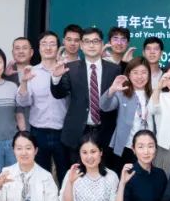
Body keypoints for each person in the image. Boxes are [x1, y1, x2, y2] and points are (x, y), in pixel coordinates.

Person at [51, 27, 122, 173]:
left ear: (102, 44)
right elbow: (59, 94)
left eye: (95, 41)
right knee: (77, 175)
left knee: (105, 174)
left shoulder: (114, 69)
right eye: (87, 41)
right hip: (77, 131)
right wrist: (56, 78)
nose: (91, 45)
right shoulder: (70, 68)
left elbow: (117, 100)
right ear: (82, 46)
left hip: (105, 131)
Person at [15, 31, 69, 173]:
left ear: (58, 48)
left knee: (65, 173)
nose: (48, 47)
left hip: (62, 132)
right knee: (40, 174)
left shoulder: (66, 70)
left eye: (52, 44)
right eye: (44, 44)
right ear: (38, 48)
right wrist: (24, 82)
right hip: (38, 132)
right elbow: (23, 102)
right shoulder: (32, 72)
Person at [101, 57, 155, 167]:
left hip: (149, 149)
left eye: (143, 72)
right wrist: (112, 89)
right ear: (129, 75)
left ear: (149, 75)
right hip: (126, 148)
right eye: (135, 72)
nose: (139, 76)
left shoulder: (155, 95)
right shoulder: (122, 94)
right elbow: (104, 106)